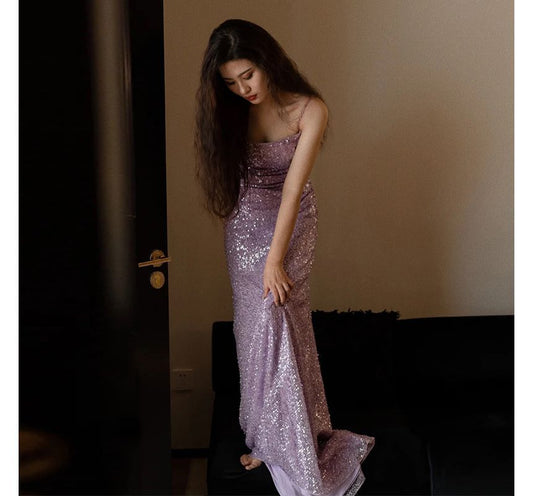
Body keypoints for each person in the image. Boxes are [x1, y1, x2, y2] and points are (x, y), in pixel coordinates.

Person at [195, 19, 375, 496]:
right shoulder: (233, 109)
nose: (243, 89)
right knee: (253, 331)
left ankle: (295, 439)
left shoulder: (310, 109)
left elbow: (292, 190)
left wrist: (275, 260)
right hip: (245, 227)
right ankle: (265, 438)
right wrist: (254, 248)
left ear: (267, 60)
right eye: (231, 82)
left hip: (291, 224)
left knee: (281, 321)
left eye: (248, 75)